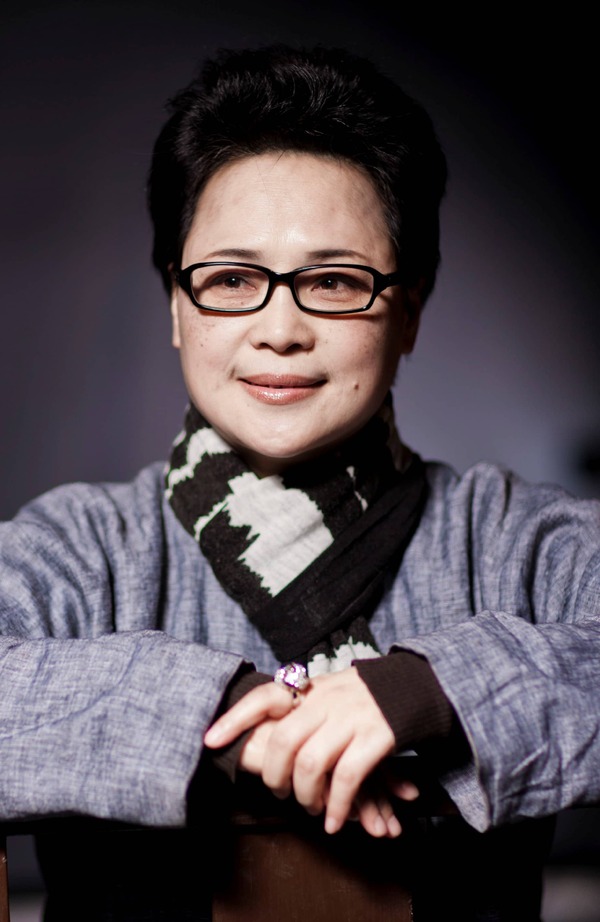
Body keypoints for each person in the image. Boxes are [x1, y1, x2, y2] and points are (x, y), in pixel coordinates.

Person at [1, 43, 599, 921]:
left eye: (333, 281)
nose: (279, 329)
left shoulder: (517, 539)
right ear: (177, 305)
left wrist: (428, 693)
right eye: (231, 279)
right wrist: (225, 711)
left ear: (410, 310)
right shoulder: (79, 549)